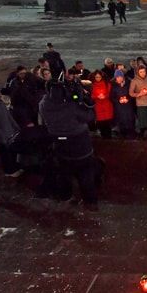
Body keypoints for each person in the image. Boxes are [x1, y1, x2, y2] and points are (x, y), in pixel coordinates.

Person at [39, 78, 98, 210]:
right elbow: (90, 116)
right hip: (80, 145)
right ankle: (90, 200)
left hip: (60, 146)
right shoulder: (71, 106)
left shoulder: (44, 104)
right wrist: (80, 98)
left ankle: (66, 196)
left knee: (64, 173)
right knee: (86, 174)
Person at [129, 65, 147, 139]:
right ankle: (144, 134)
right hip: (141, 103)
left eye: (144, 71)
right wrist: (139, 94)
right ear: (138, 72)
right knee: (143, 120)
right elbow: (131, 93)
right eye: (141, 72)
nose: (143, 73)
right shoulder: (134, 81)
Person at [110, 69, 135, 139]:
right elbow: (112, 97)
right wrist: (118, 100)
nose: (119, 78)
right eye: (117, 77)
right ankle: (123, 134)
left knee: (130, 119)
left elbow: (131, 94)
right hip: (119, 107)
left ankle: (131, 133)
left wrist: (128, 99)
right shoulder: (114, 86)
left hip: (128, 105)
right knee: (121, 119)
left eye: (120, 77)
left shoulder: (128, 84)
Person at [90, 70, 113, 139]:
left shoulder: (107, 84)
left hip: (106, 106)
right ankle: (103, 137)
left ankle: (109, 138)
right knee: (101, 124)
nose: (98, 79)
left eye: (99, 77)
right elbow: (91, 95)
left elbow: (110, 93)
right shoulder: (92, 85)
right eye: (96, 77)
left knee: (107, 124)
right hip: (98, 107)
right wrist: (97, 96)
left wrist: (105, 96)